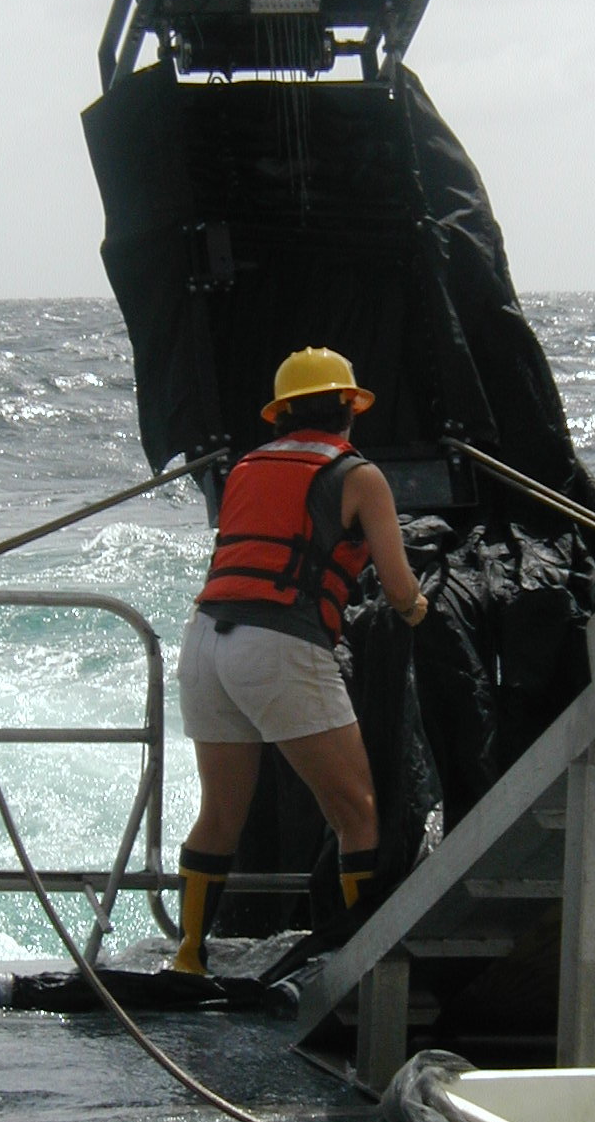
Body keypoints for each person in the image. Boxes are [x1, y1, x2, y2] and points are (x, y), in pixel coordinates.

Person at [173, 346, 427, 975]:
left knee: (219, 816)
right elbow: (399, 589)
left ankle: (188, 957)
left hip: (205, 643)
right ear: (348, 407)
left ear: (282, 414)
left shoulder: (245, 467)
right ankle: (361, 962)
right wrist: (421, 611)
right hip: (279, 649)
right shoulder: (359, 476)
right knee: (356, 813)